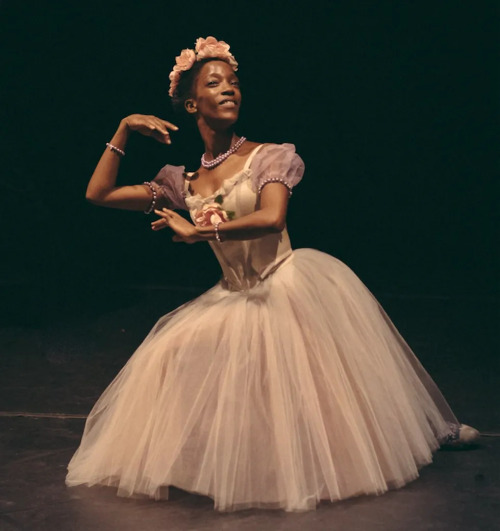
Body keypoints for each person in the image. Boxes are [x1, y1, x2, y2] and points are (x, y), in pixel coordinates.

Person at [66, 36, 479, 512]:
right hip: (234, 293)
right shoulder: (183, 182)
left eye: (234, 83)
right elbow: (98, 194)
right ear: (190, 103)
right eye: (214, 83)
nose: (229, 90)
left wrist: (202, 234)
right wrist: (123, 129)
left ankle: (425, 428)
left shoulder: (267, 157)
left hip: (286, 280)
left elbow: (271, 218)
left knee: (336, 380)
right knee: (168, 356)